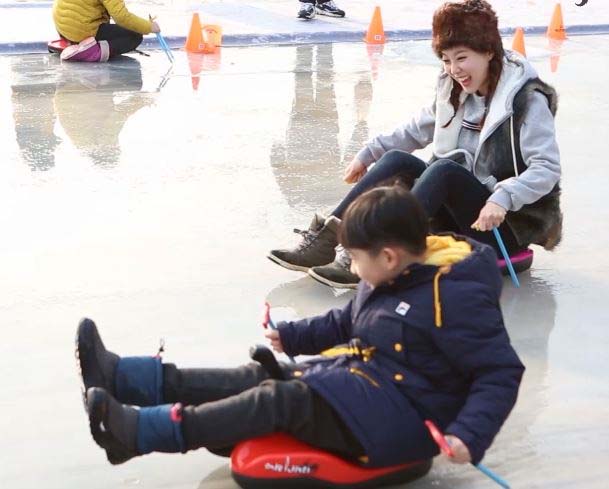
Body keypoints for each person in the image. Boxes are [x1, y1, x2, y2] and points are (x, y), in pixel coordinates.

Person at [78, 185, 524, 469]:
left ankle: (139, 434)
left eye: (357, 260)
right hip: (363, 388)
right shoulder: (393, 275)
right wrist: (295, 336)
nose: (354, 270)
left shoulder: (455, 296)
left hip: (400, 422)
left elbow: (499, 371)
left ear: (388, 257)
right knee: (257, 375)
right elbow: (351, 321)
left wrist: (468, 433)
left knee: (280, 398)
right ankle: (124, 378)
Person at [269, 0, 562, 289]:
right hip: (457, 212)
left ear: (488, 51)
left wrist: (504, 198)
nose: (454, 69)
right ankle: (330, 237)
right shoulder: (453, 89)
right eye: (446, 60)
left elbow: (547, 169)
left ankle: (376, 253)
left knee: (445, 168)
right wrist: (369, 154)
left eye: (461, 58)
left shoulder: (526, 101)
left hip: (503, 225)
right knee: (397, 159)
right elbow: (415, 129)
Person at [52, 0, 161, 62]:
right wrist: (149, 27)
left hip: (63, 26)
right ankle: (92, 52)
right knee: (135, 36)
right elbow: (121, 17)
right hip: (82, 29)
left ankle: (72, 42)